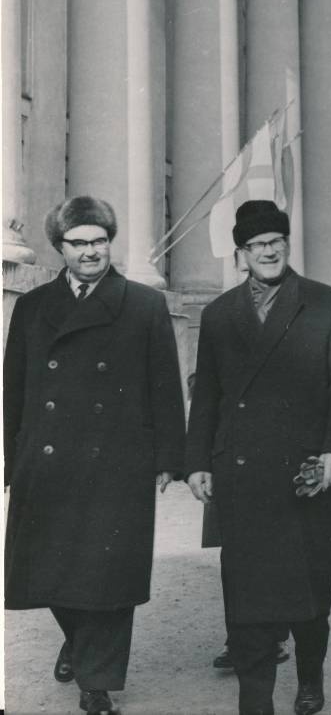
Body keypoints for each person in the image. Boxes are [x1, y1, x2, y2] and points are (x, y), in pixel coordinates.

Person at [3, 196, 186, 715]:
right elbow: (14, 388)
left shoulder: (143, 305)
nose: (90, 252)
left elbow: (165, 387)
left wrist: (168, 457)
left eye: (99, 241)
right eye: (79, 243)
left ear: (110, 242)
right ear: (59, 247)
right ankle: (78, 639)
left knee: (110, 577)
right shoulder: (33, 307)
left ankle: (97, 682)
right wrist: (11, 457)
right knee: (49, 568)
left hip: (118, 462)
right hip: (49, 460)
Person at [186, 200, 331, 715]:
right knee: (247, 593)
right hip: (240, 473)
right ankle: (255, 697)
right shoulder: (219, 314)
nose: (268, 252)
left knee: (309, 588)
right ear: (241, 253)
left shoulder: (327, 305)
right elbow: (208, 395)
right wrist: (197, 462)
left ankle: (310, 676)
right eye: (257, 245)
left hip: (305, 472)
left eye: (276, 243)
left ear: (287, 244)